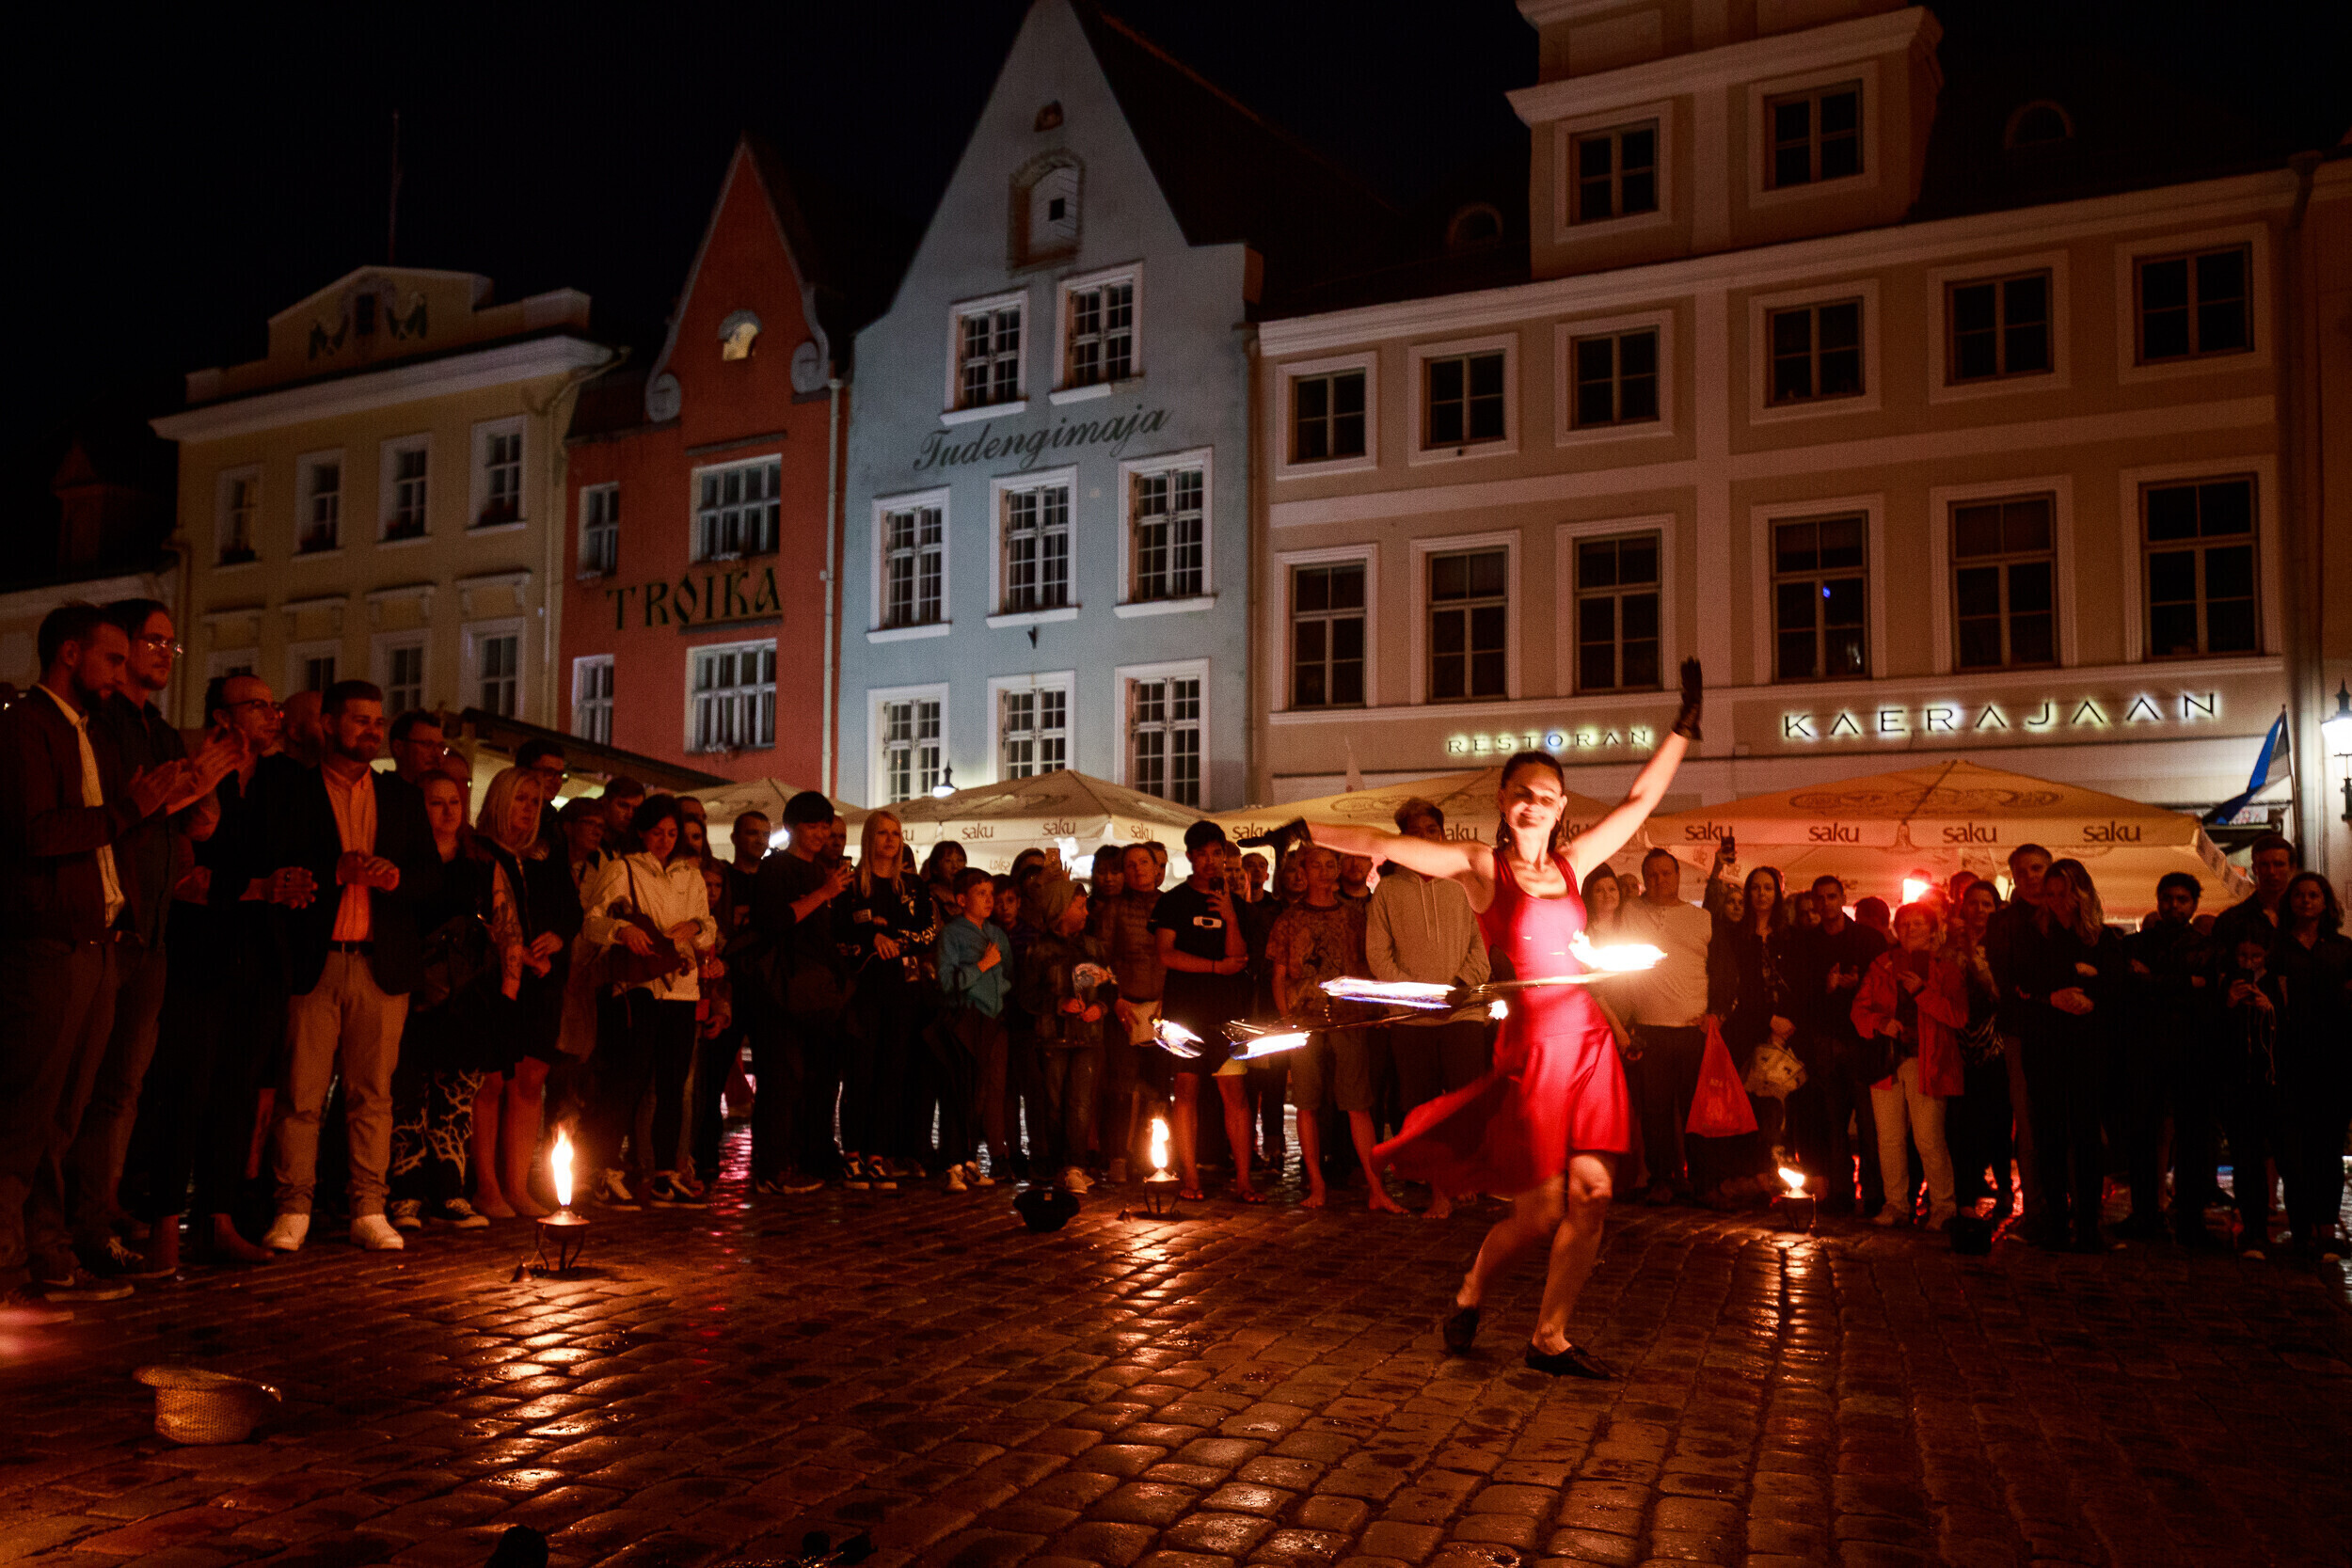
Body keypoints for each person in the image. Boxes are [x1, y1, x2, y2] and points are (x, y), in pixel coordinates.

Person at [1313, 659, 1702, 1377]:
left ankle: (1549, 1336)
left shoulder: (1574, 864)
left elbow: (1640, 801)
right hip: (1533, 1050)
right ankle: (1472, 1289)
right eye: (1522, 792)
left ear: (1560, 806)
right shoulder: (1482, 867)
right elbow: (1383, 845)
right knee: (1539, 1212)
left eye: (1547, 796)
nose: (1534, 804)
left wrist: (1682, 729)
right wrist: (1299, 828)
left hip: (1587, 1044)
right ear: (1502, 798)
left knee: (1595, 1194)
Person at [0, 606, 199, 1312]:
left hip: (100, 938)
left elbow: (117, 827)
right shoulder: (27, 726)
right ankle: (11, 1265)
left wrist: (171, 800)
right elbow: (37, 832)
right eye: (112, 659)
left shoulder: (87, 730)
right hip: (49, 942)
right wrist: (129, 810)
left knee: (66, 1115)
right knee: (25, 1114)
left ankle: (48, 1254)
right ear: (69, 653)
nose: (122, 673)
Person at [252, 681, 440, 1254]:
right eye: (359, 720)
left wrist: (396, 878)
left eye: (377, 721)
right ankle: (293, 1207)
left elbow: (431, 876)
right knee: (300, 1095)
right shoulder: (294, 789)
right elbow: (272, 856)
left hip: (380, 963)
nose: (371, 731)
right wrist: (334, 870)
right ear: (329, 724)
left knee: (373, 1096)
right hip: (317, 959)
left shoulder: (400, 796)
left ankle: (369, 1207)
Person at [67, 599, 222, 1282]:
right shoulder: (101, 723)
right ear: (121, 646)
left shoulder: (157, 728)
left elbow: (187, 822)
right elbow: (121, 809)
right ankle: (66, 1220)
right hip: (109, 924)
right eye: (153, 640)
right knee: (80, 1082)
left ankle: (97, 1211)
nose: (163, 653)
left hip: (155, 929)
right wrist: (173, 796)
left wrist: (203, 796)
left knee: (124, 1086)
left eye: (170, 644)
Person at [126, 673, 300, 1272]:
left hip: (261, 953)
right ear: (222, 717)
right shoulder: (196, 773)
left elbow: (290, 856)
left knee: (238, 1090)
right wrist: (256, 887)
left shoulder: (279, 780)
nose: (272, 716)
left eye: (274, 706)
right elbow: (181, 873)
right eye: (258, 706)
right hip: (200, 951)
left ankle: (219, 1217)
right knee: (186, 1087)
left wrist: (293, 885)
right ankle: (163, 1221)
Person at [386, 773, 524, 1229]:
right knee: (407, 1097)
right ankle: (405, 1193)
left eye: (454, 803)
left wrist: (507, 993)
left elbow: (507, 928)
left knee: (456, 1100)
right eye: (435, 803)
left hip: (467, 996)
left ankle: (450, 1191)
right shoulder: (403, 860)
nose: (447, 812)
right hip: (410, 990)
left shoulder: (481, 862)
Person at [580, 794, 715, 1209]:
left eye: (672, 833)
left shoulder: (690, 874)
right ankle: (603, 1169)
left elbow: (709, 927)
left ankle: (664, 1172)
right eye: (657, 832)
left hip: (681, 985)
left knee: (673, 1083)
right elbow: (592, 922)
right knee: (628, 1077)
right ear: (641, 832)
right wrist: (622, 930)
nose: (665, 840)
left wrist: (695, 927)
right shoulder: (624, 869)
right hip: (638, 985)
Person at [1368, 800, 1492, 1217]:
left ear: (1444, 834)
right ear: (1403, 839)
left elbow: (1482, 946)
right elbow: (1378, 955)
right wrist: (1417, 995)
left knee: (1463, 1102)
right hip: (1412, 1017)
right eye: (1415, 832)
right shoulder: (1387, 891)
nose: (1425, 838)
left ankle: (1464, 1175)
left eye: (1432, 830)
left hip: (1464, 1010)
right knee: (1420, 1108)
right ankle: (1439, 1186)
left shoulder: (1465, 884)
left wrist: (1459, 987)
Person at [1267, 844, 1393, 1212]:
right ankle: (1316, 1183)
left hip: (1347, 1019)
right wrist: (1287, 1019)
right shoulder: (1289, 919)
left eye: (1329, 865)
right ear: (1303, 871)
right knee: (1307, 1103)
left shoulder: (1354, 917)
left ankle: (1376, 1188)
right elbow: (1278, 976)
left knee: (1357, 1104)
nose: (1323, 871)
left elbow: (1368, 967)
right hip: (1305, 1020)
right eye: (1316, 865)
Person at [469, 767, 573, 1219]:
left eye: (535, 801)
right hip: (494, 979)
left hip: (542, 981)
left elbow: (571, 910)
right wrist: (513, 950)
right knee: (491, 1080)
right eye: (520, 799)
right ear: (499, 800)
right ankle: (486, 1185)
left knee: (530, 1081)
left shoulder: (546, 857)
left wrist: (557, 938)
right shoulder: (478, 852)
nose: (529, 809)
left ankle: (517, 1185)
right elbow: (478, 915)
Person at [746, 791, 854, 1196]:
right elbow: (774, 921)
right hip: (781, 989)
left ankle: (805, 1157)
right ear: (792, 828)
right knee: (781, 1079)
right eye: (812, 826)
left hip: (816, 991)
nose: (821, 834)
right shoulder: (776, 867)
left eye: (826, 826)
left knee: (814, 1079)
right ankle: (772, 1169)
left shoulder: (818, 871)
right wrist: (824, 894)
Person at [2010, 859, 2118, 1251]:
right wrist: (2059, 989)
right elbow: (2022, 982)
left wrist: (2091, 994)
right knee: (2049, 1133)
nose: (2057, 902)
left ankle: (2088, 1223)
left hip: (2087, 1044)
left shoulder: (2102, 938)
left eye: (2064, 894)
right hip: (2045, 1043)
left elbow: (2116, 985)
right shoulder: (2033, 934)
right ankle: (2056, 1222)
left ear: (2081, 893)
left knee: (2087, 1134)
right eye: (2051, 894)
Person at [1152, 826, 1259, 1201]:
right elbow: (1166, 954)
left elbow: (1239, 957)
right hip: (1185, 1011)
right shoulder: (1173, 902)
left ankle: (1244, 1180)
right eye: (1203, 854)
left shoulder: (1238, 906)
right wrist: (1214, 968)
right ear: (1190, 857)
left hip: (1227, 1012)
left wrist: (1230, 916)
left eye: (1217, 854)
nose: (1211, 861)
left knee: (1235, 1093)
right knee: (1185, 1090)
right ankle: (1190, 1177)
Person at [1851, 902, 1966, 1227]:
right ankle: (1896, 1204)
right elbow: (1859, 1011)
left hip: (1929, 1062)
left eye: (1918, 923)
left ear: (1932, 930)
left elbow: (1957, 1016)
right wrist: (1880, 1022)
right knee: (1888, 1138)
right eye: (1905, 924)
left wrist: (1922, 992)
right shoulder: (1881, 965)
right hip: (1886, 1063)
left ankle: (1944, 1205)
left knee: (1928, 1138)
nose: (1911, 929)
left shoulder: (1946, 969)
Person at [836, 811, 934, 1190]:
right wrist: (870, 939)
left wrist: (896, 940)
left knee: (891, 1075)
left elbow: (928, 931)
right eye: (882, 833)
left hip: (902, 990)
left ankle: (878, 1156)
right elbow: (839, 934)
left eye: (896, 833)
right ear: (869, 838)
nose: (890, 840)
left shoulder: (913, 886)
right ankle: (852, 1155)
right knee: (859, 1074)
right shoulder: (850, 885)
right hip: (862, 992)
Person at [1784, 874, 1888, 1214]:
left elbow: (1884, 986)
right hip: (1825, 1040)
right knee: (1833, 1122)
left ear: (1843, 898)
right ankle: (1841, 1191)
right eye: (1821, 897)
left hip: (1862, 1040)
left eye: (1832, 896)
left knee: (1869, 1123)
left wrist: (1860, 985)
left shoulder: (1868, 939)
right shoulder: (1806, 943)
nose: (1826, 903)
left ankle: (1873, 1194)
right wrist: (1826, 988)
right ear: (1814, 901)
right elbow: (1801, 995)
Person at [2118, 872, 2213, 1243]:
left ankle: (2189, 1217)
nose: (2174, 906)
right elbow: (2130, 988)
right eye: (2168, 898)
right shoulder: (2135, 945)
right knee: (2142, 1135)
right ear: (2158, 901)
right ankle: (2145, 1213)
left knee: (2193, 1137)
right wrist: (2185, 982)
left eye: (2182, 899)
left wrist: (2153, 981)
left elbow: (2207, 994)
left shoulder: (2206, 948)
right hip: (2145, 1049)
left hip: (2191, 1051)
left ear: (2194, 904)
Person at [1698, 865, 1796, 1207]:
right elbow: (1736, 984)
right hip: (1745, 1028)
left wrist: (1784, 1022)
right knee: (1739, 1106)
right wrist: (1767, 1018)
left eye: (1768, 888)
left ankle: (1764, 1177)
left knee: (1773, 1111)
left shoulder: (1788, 936)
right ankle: (1740, 1179)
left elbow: (1797, 983)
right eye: (1755, 887)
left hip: (1783, 1032)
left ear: (1777, 893)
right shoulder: (1736, 935)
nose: (1761, 894)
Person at [1622, 848, 1713, 1206]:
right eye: (1653, 874)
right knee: (1655, 1110)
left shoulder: (1702, 918)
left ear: (1678, 876)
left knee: (1696, 1109)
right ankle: (1661, 1179)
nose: (1660, 880)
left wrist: (1715, 1013)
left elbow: (1720, 969)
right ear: (1645, 879)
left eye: (1666, 873)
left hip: (1693, 1028)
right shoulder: (1632, 913)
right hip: (1650, 1027)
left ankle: (1703, 1180)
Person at [2271, 871, 2352, 1260]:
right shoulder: (2277, 948)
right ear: (2290, 902)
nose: (2306, 901)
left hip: (2333, 1058)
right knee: (2292, 1151)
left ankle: (2326, 1227)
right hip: (2288, 1058)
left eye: (2313, 895)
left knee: (2327, 1148)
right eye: (2299, 895)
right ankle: (2301, 1228)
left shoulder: (2343, 948)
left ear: (2325, 902)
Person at [1019, 876, 1114, 1193]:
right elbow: (1027, 995)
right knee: (1053, 1102)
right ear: (1060, 909)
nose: (1086, 912)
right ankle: (1053, 1163)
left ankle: (1075, 1164)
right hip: (1052, 1039)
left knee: (1080, 1102)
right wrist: (1058, 1004)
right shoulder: (1039, 949)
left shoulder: (1093, 947)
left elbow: (1109, 986)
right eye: (1079, 906)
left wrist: (1099, 1006)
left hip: (1088, 1037)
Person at [1983, 843, 2051, 1232]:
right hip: (2021, 1029)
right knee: (2026, 1121)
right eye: (2022, 871)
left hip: (2065, 1030)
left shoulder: (2066, 912)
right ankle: (2036, 1207)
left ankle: (2063, 1200)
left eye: (2036, 868)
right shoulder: (2003, 922)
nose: (2030, 877)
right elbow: (2008, 978)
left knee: (2061, 1118)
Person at [1941, 879, 2013, 1223]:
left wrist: (1973, 954)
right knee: (1961, 1125)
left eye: (1987, 904)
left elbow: (1999, 994)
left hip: (1993, 1044)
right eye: (1973, 903)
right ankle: (1965, 1196)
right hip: (1956, 1044)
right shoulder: (1949, 946)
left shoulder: (2003, 945)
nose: (1979, 910)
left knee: (1998, 1122)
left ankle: (2004, 1189)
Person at [935, 866, 1011, 1191]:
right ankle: (952, 1163)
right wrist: (981, 966)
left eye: (991, 894)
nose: (989, 900)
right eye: (981, 894)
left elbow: (1008, 974)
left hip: (991, 1020)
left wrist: (998, 990)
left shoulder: (996, 935)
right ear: (962, 899)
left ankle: (969, 1160)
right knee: (959, 1090)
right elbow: (946, 981)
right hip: (964, 1019)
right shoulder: (952, 934)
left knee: (981, 1093)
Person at [1103, 843, 1167, 1182]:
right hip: (1125, 1008)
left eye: (1144, 862)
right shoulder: (1113, 908)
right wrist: (1115, 998)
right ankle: (1118, 1157)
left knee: (1159, 1087)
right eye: (1131, 864)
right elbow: (1102, 958)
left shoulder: (1170, 904)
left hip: (1164, 1008)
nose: (1139, 869)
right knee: (1122, 1087)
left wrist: (1170, 1000)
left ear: (1157, 868)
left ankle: (1153, 1158)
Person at [2210, 833, 2298, 954]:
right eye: (2264, 865)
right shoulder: (2231, 920)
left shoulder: (2305, 916)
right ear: (2255, 869)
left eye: (2279, 865)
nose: (2272, 872)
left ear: (2292, 868)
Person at [389, 710, 447, 789]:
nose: (437, 754)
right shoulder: (379, 791)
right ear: (398, 748)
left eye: (440, 746)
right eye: (427, 744)